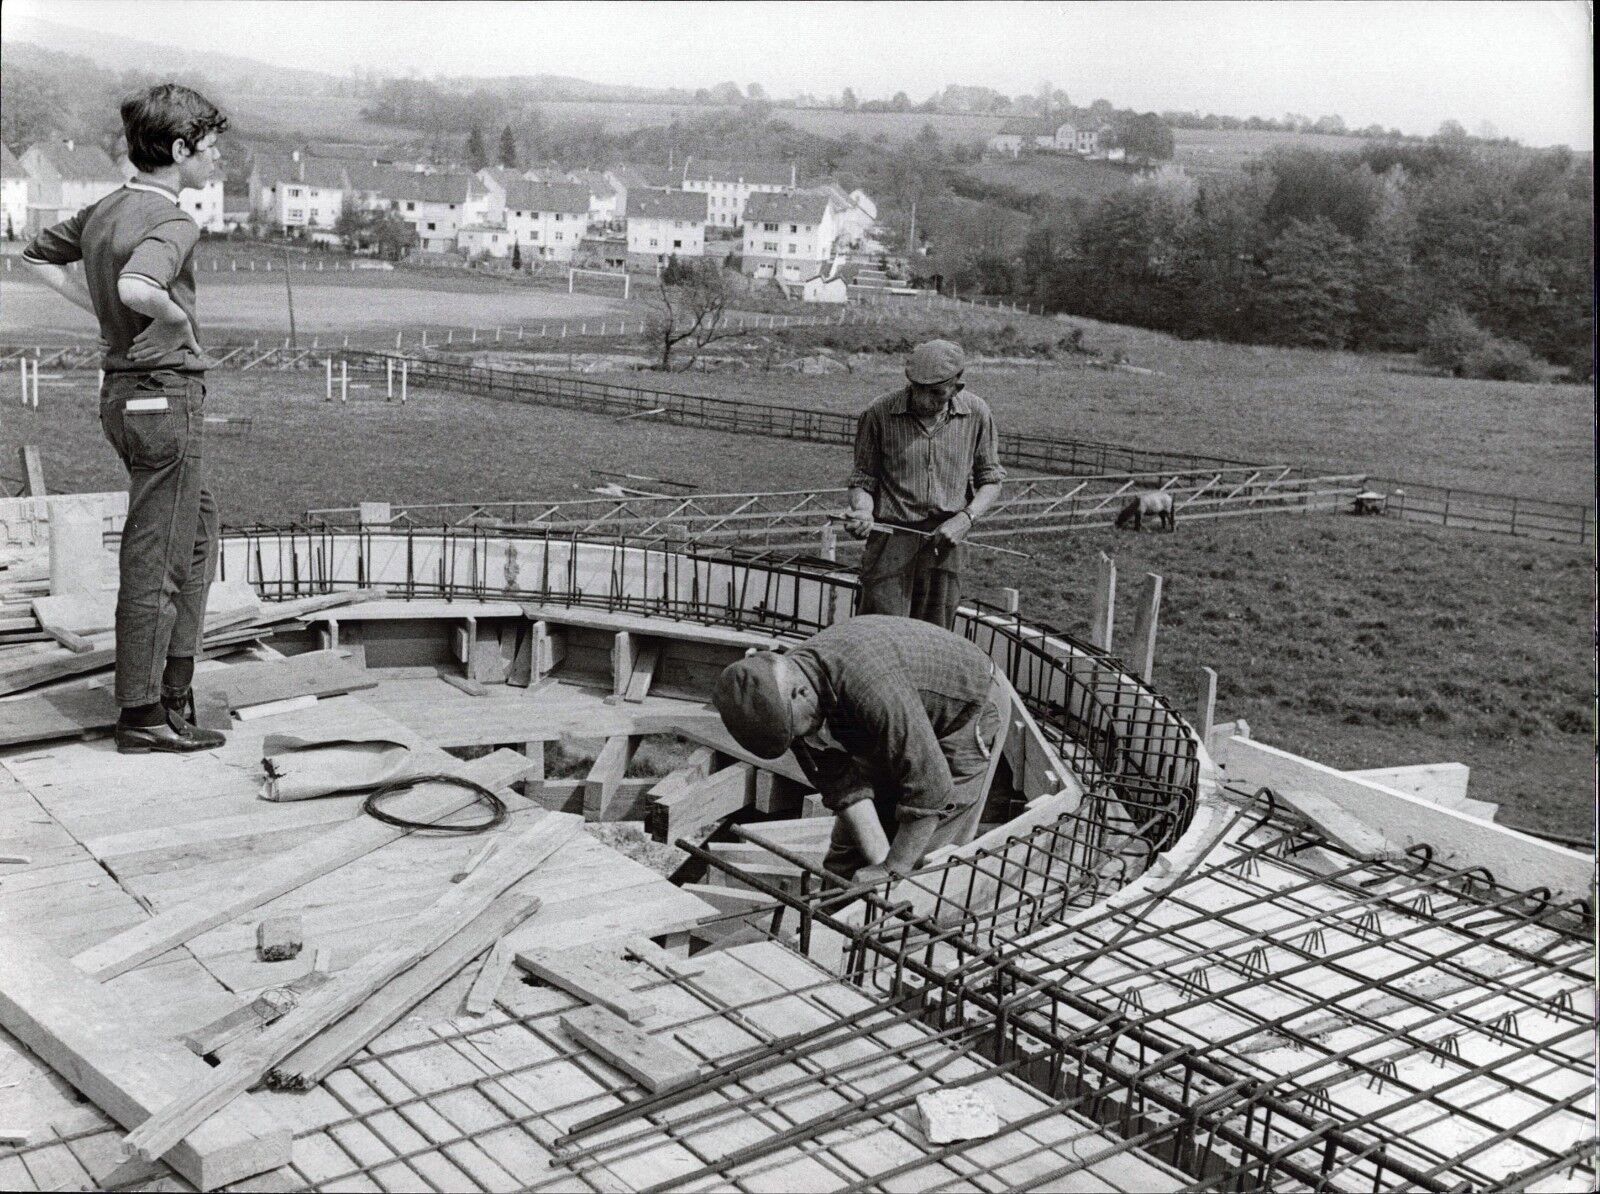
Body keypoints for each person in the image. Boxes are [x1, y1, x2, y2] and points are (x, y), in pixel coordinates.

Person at [23, 84, 229, 753]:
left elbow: (35, 257)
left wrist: (106, 320)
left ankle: (174, 688)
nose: (218, 158)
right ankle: (141, 713)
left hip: (125, 395)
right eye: (210, 146)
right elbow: (140, 287)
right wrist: (172, 317)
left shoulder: (107, 207)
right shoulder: (173, 220)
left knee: (195, 534)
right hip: (163, 398)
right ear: (179, 150)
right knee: (158, 556)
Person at [712, 615, 1004, 884]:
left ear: (800, 693)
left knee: (924, 866)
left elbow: (931, 790)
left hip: (964, 713)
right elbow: (844, 789)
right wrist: (875, 866)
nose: (798, 744)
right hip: (896, 714)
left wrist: (893, 870)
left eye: (794, 733)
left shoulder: (869, 686)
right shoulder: (783, 696)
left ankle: (902, 933)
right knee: (845, 863)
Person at [843, 339, 1005, 629]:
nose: (923, 400)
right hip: (890, 542)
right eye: (917, 390)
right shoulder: (878, 414)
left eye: (936, 394)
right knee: (879, 633)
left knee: (934, 635)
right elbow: (863, 480)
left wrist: (966, 519)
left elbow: (991, 480)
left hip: (944, 543)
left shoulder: (977, 414)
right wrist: (863, 512)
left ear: (957, 388)